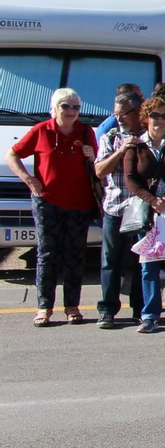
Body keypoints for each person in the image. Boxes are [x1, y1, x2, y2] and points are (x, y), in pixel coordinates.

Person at [6, 88, 98, 326]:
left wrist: (92, 156)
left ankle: (72, 306)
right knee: (47, 254)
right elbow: (12, 155)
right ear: (54, 109)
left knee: (75, 255)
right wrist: (28, 179)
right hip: (47, 202)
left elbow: (99, 168)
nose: (71, 111)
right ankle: (44, 308)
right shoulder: (41, 130)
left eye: (76, 107)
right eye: (65, 106)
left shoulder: (86, 132)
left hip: (79, 203)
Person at [122, 97, 165, 332]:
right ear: (146, 118)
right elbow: (131, 179)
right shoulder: (136, 146)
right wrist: (152, 200)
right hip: (147, 213)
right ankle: (150, 316)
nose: (159, 120)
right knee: (149, 266)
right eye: (155, 115)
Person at [92, 91, 146, 327]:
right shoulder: (111, 137)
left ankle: (141, 309)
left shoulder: (150, 135)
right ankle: (107, 309)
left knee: (141, 261)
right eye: (116, 114)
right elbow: (100, 171)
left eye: (123, 114)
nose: (119, 118)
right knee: (110, 261)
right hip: (115, 208)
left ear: (138, 112)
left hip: (141, 208)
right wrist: (121, 150)